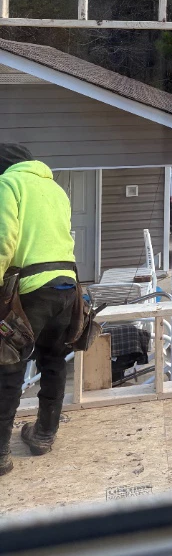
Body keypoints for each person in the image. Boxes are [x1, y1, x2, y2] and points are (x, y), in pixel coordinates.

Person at [0, 144, 78, 476]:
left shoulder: (8, 184)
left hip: (33, 289)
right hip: (69, 286)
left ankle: (1, 452)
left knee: (8, 367)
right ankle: (44, 434)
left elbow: (5, 239)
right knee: (53, 359)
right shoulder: (55, 188)